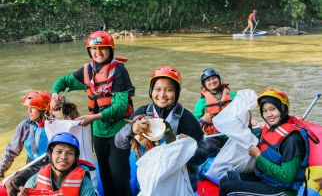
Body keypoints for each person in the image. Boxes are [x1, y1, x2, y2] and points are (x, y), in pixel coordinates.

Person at [50, 30, 135, 196]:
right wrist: (55, 93)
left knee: (119, 174)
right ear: (89, 51)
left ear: (111, 50)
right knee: (105, 173)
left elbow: (120, 106)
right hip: (98, 132)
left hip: (119, 130)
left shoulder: (119, 71)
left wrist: (93, 117)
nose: (98, 52)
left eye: (103, 48)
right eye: (94, 49)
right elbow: (63, 81)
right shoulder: (87, 71)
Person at [115, 65, 208, 193]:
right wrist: (131, 129)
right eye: (157, 89)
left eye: (168, 90)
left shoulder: (186, 118)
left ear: (177, 92)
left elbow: (203, 155)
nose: (162, 95)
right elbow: (119, 142)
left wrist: (190, 148)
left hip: (179, 181)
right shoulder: (142, 113)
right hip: (149, 177)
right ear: (151, 91)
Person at [220, 87, 310, 196]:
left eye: (272, 109)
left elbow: (287, 177)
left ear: (282, 109)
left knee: (228, 188)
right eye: (264, 110)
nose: (268, 115)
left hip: (283, 190)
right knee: (227, 178)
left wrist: (258, 157)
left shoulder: (292, 139)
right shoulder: (271, 127)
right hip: (266, 178)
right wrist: (247, 122)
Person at [0, 91, 51, 196]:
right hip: (33, 166)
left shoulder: (56, 125)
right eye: (29, 108)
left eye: (33, 108)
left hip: (53, 167)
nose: (29, 111)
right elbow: (11, 151)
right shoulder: (25, 126)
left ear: (44, 110)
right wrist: (1, 170)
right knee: (11, 183)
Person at [17, 132, 95, 196]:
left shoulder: (85, 185)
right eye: (59, 152)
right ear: (50, 155)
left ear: (75, 158)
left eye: (70, 153)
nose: (63, 157)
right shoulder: (34, 181)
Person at [193, 68, 236, 157]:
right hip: (214, 137)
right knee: (208, 148)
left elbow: (245, 113)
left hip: (234, 134)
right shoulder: (201, 103)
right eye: (208, 80)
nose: (212, 81)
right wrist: (203, 119)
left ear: (219, 80)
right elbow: (193, 127)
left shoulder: (232, 96)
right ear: (204, 85)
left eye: (214, 78)